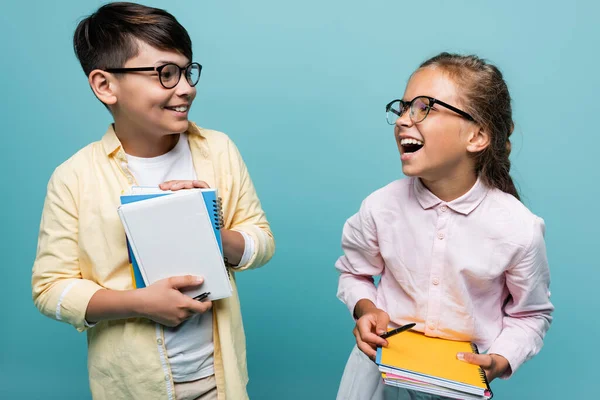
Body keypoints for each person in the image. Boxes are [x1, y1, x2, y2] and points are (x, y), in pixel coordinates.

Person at [31, 3, 275, 399]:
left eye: (186, 70)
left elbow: (261, 242)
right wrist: (138, 303)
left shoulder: (218, 150)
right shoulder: (73, 177)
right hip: (132, 386)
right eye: (165, 74)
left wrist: (211, 231)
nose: (186, 87)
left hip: (221, 381)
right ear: (105, 85)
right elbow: (49, 289)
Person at [335, 52, 553, 400]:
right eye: (403, 107)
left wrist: (500, 359)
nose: (404, 120)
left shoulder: (518, 228)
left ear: (477, 136)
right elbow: (354, 273)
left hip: (458, 386)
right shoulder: (380, 207)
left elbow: (531, 314)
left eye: (425, 108)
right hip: (377, 377)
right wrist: (367, 308)